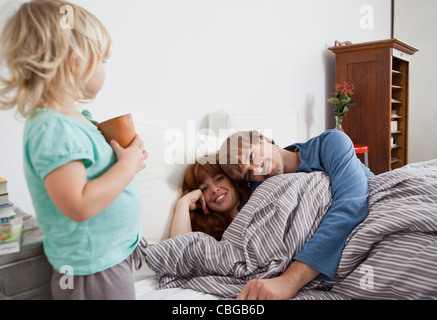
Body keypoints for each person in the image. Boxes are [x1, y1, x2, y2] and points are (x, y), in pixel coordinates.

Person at [0, 0, 147, 299]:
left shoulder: (72, 121)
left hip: (105, 260)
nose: (104, 68)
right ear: (75, 61)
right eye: (102, 60)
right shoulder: (53, 129)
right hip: (92, 270)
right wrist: (127, 166)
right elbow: (79, 205)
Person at [218, 129, 374, 300]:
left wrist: (291, 280)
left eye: (251, 157)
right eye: (249, 174)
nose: (258, 169)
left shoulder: (329, 143)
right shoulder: (263, 189)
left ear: (261, 138)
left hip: (376, 209)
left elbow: (352, 204)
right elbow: (244, 235)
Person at [170, 154, 251, 241]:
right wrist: (184, 203)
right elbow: (179, 249)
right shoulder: (212, 237)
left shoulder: (259, 197)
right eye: (204, 188)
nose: (214, 189)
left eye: (219, 179)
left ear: (232, 177)